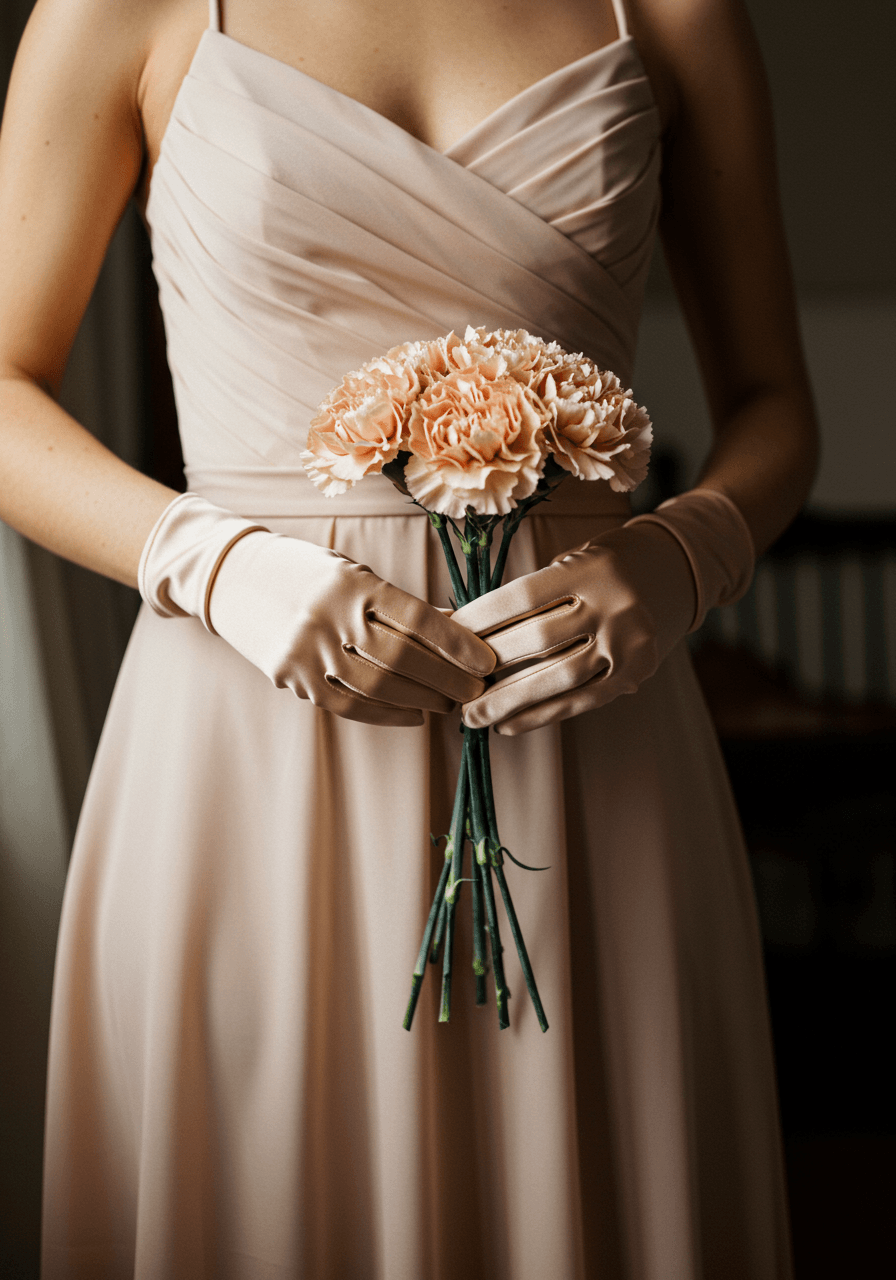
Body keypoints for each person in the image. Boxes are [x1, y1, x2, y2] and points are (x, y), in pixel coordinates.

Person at [0, 0, 818, 1275]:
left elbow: (772, 402)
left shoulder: (669, 13)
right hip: (247, 729)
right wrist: (208, 563)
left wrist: (678, 552)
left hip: (586, 730)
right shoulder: (124, 9)